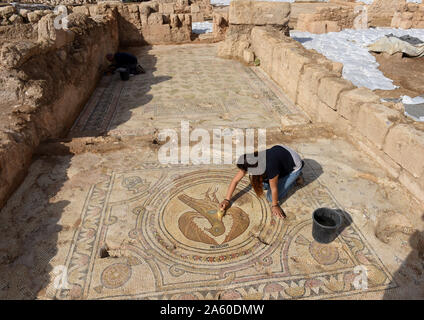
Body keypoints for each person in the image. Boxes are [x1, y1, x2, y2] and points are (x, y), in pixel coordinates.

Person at [220, 145, 304, 219]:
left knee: (270, 197)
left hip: (294, 163)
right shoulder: (251, 160)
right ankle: (283, 173)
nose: (244, 172)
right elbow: (235, 181)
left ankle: (295, 178)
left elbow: (274, 188)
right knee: (260, 185)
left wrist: (275, 205)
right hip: (281, 152)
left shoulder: (270, 166)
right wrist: (227, 200)